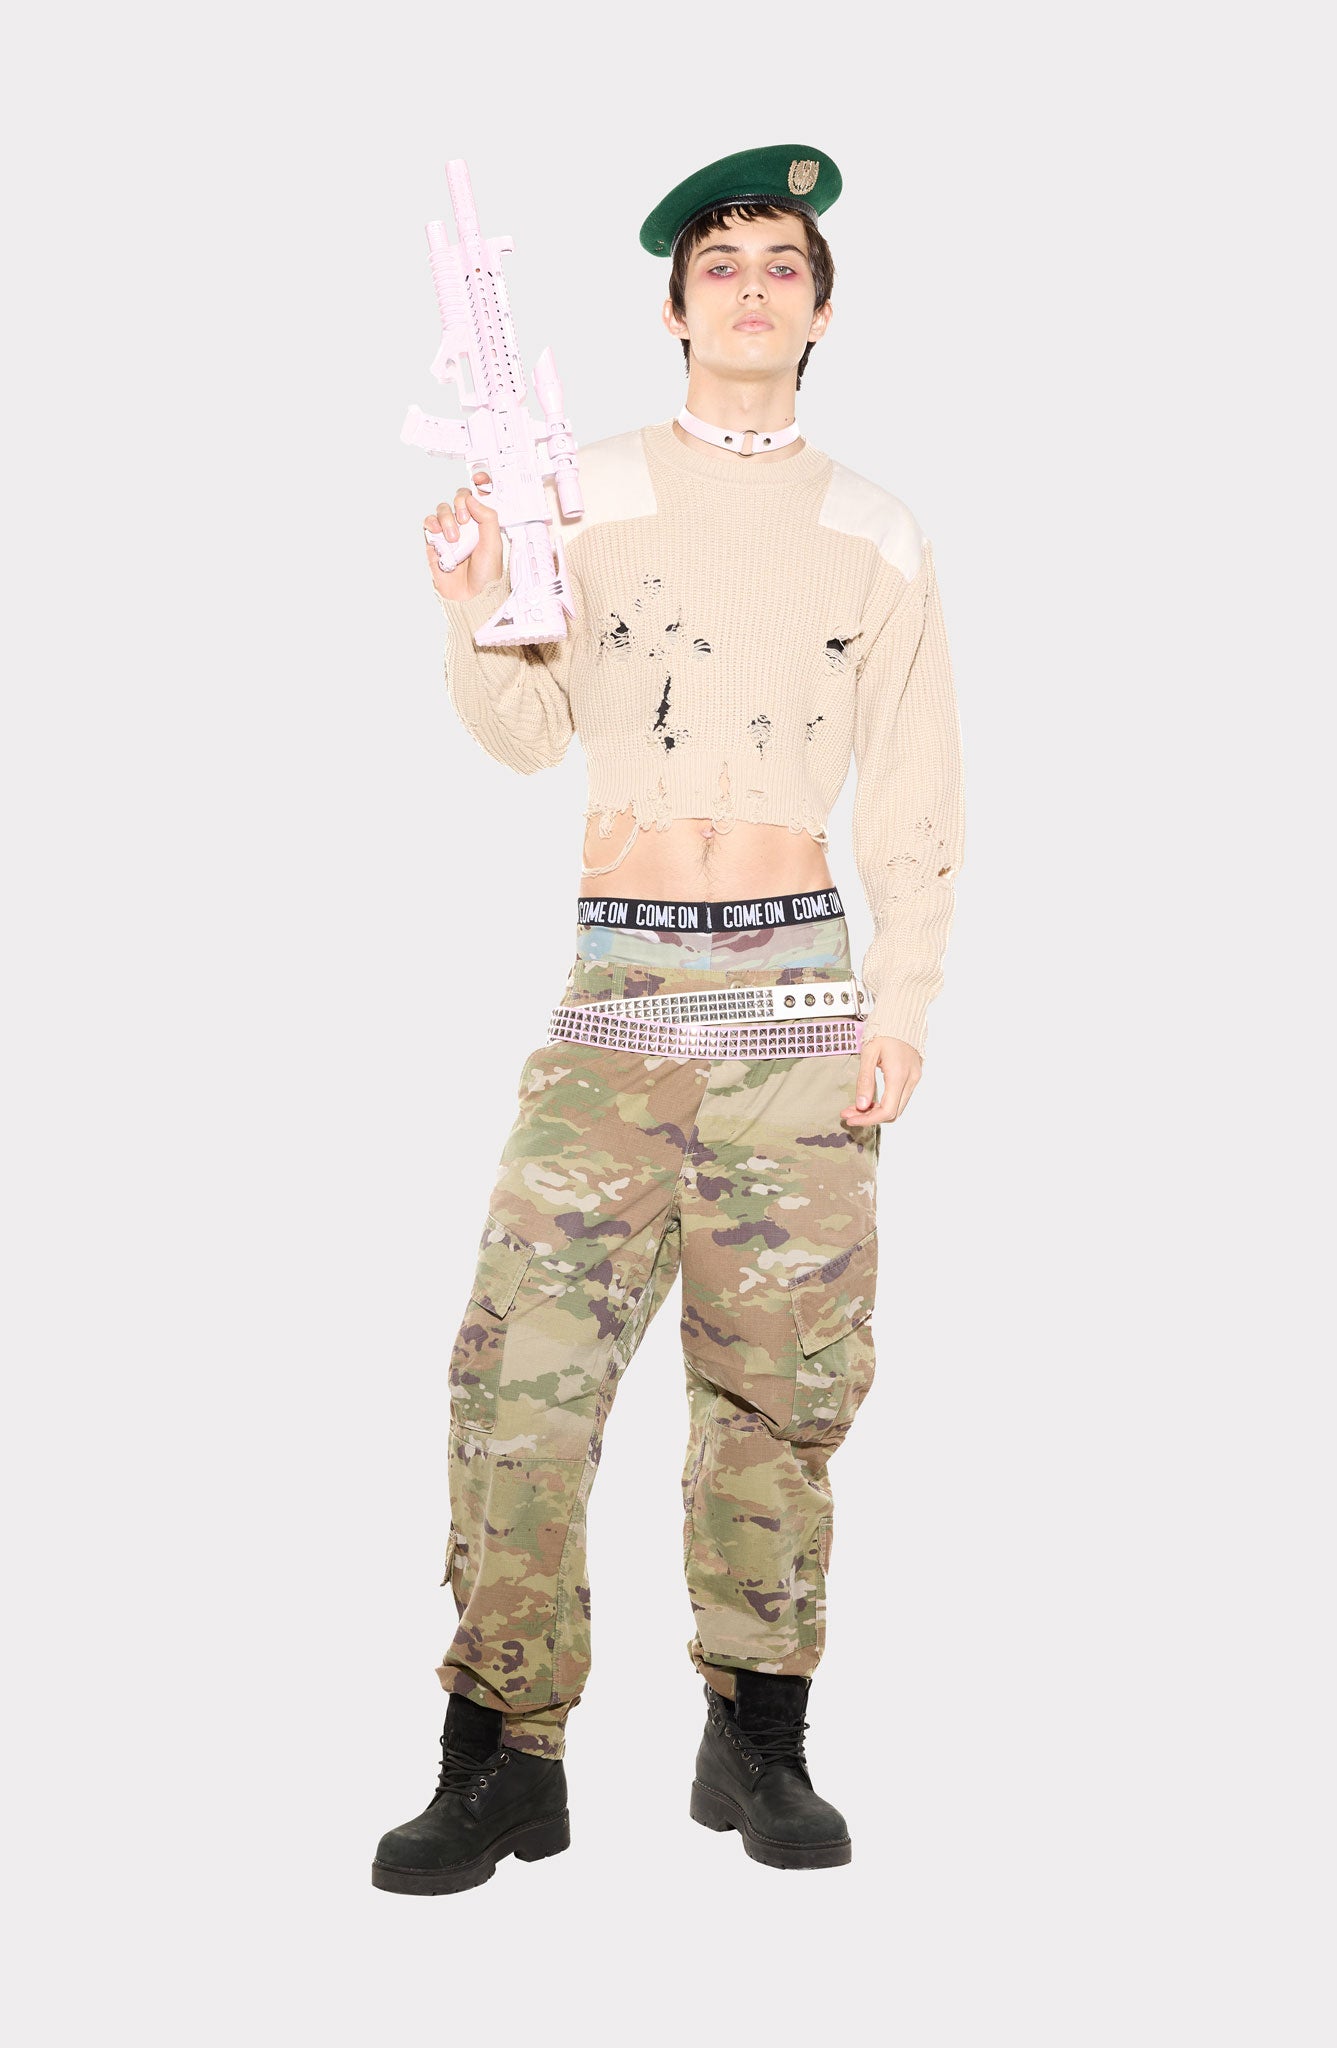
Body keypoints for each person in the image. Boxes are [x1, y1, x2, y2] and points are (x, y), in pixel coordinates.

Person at [372, 142, 967, 1893]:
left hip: (796, 994)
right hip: (623, 989)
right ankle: (502, 1758)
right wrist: (471, 604)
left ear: (822, 310)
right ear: (672, 308)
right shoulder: (590, 486)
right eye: (721, 261)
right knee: (521, 1374)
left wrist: (903, 1002)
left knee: (779, 1390)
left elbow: (916, 788)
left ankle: (756, 1737)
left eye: (782, 263)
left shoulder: (877, 531)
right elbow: (524, 734)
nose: (751, 286)